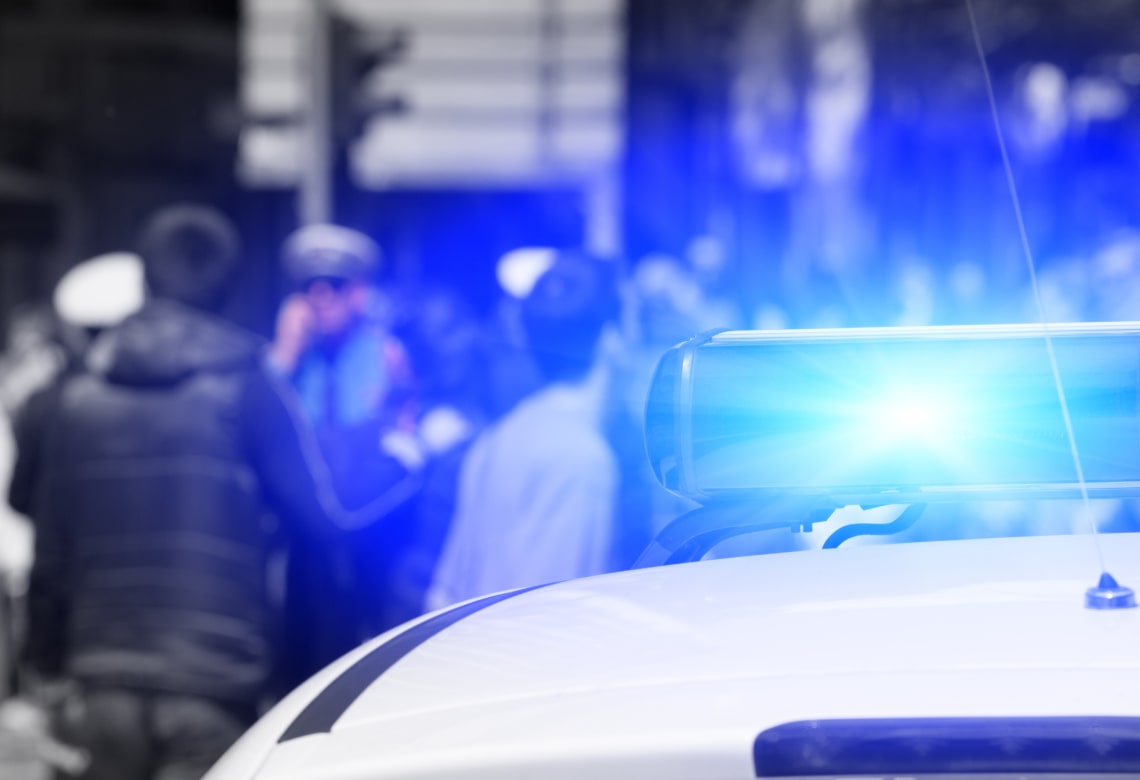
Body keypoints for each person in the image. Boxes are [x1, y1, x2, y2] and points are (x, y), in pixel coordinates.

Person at [21, 205, 379, 780]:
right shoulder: (251, 389)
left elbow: (51, 547)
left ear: (145, 281)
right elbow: (319, 525)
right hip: (213, 679)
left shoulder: (79, 396)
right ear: (230, 289)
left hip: (101, 680)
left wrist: (43, 663)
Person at [426, 253, 622, 609]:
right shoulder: (582, 459)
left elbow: (443, 594)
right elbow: (554, 616)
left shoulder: (497, 437)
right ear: (613, 338)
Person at [268, 224, 416, 682]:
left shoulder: (387, 356)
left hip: (366, 539)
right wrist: (284, 356)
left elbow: (402, 444)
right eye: (308, 286)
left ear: (358, 292)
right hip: (303, 540)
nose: (319, 296)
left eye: (332, 285)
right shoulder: (289, 359)